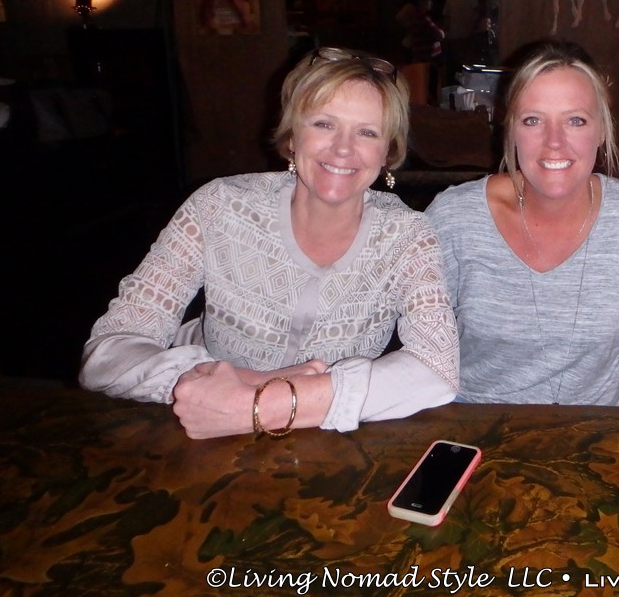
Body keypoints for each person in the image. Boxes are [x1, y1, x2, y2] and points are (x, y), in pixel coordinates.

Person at [79, 48, 459, 438]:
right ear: (292, 136)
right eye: (324, 124)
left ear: (388, 153)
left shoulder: (408, 236)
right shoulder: (218, 206)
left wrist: (263, 403)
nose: (343, 148)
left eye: (367, 132)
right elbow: (109, 351)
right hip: (199, 427)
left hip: (323, 441)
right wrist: (217, 382)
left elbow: (436, 369)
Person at [426, 41, 619, 405]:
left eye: (575, 120)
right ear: (510, 129)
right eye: (533, 120)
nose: (554, 142)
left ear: (602, 130)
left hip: (587, 432)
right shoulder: (456, 218)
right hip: (474, 426)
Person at [441, 0, 480, 70]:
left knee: (466, 64)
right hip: (453, 36)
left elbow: (476, 18)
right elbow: (447, 17)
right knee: (455, 64)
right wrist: (445, 33)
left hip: (467, 37)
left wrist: (472, 32)